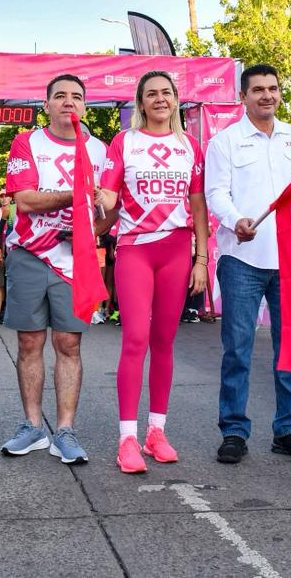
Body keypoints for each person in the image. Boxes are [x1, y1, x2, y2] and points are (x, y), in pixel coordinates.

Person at [205, 64, 291, 463]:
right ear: (244, 97)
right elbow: (216, 192)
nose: (267, 95)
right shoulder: (224, 142)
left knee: (290, 348)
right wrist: (235, 220)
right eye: (258, 90)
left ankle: (289, 429)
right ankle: (233, 430)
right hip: (242, 259)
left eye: (273, 88)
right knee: (237, 348)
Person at [98, 71, 208, 473]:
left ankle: (156, 431)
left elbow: (197, 205)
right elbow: (109, 194)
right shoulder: (125, 141)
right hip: (135, 249)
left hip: (177, 250)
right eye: (151, 94)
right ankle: (127, 437)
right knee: (136, 339)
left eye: (166, 93)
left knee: (164, 340)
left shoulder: (190, 146)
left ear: (176, 99)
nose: (160, 99)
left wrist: (201, 259)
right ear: (141, 104)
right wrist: (96, 197)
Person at [0, 75, 109, 465]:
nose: (68, 103)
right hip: (30, 253)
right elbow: (25, 202)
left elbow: (109, 210)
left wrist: (88, 229)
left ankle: (64, 430)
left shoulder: (100, 150)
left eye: (76, 97)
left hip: (74, 260)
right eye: (59, 96)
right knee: (30, 343)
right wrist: (78, 194)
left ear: (84, 106)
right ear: (46, 104)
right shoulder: (27, 142)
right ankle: (31, 427)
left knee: (69, 345)